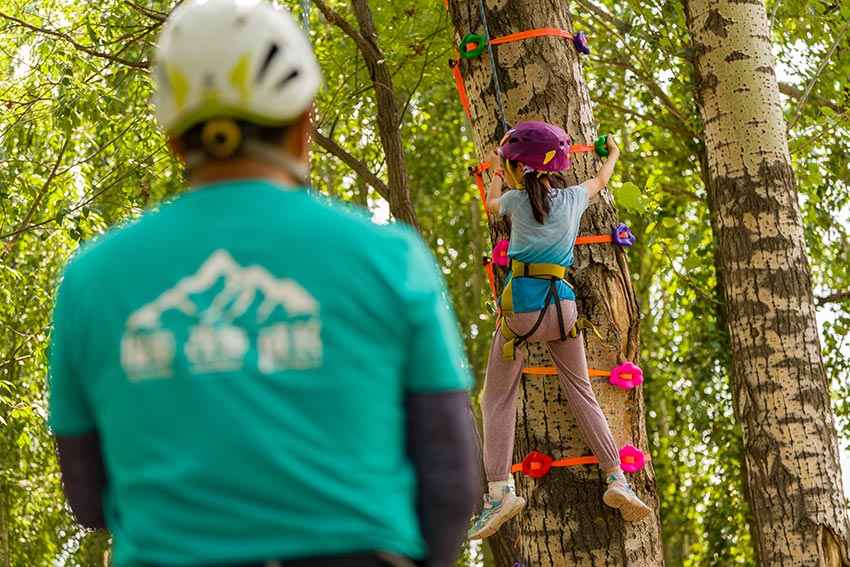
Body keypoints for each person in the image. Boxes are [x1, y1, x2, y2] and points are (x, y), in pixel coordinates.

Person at [47, 1, 479, 566]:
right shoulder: (389, 257)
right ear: (303, 123)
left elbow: (87, 499)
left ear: (175, 137)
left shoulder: (90, 278)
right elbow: (450, 481)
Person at [467, 121, 651, 540]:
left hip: (521, 313)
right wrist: (613, 152)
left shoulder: (513, 201)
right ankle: (616, 478)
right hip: (563, 309)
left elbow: (490, 204)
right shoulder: (572, 198)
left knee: (496, 398)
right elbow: (602, 178)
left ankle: (499, 492)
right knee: (581, 390)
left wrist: (495, 170)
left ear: (518, 169)